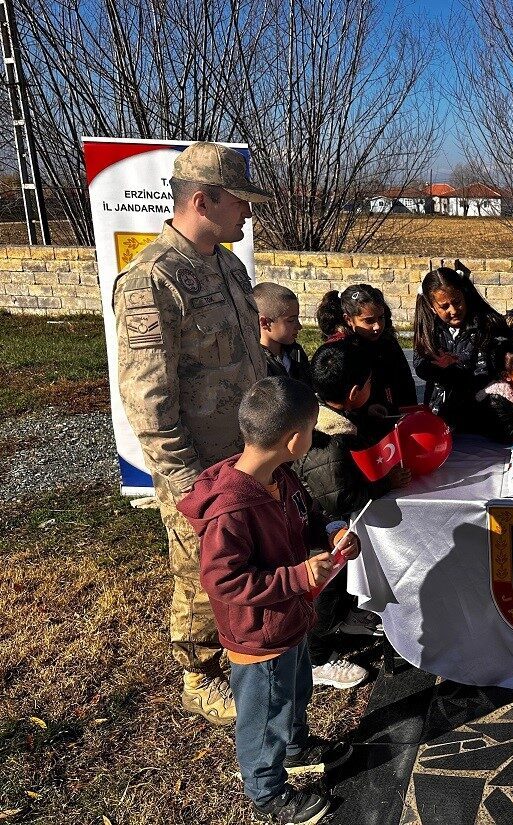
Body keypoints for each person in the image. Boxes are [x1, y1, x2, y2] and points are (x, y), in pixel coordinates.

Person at [112, 141, 270, 725]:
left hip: (246, 451)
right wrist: (185, 485)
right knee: (200, 571)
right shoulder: (153, 280)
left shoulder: (227, 266)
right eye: (241, 201)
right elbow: (149, 401)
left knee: (244, 558)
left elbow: (250, 357)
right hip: (199, 465)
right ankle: (199, 675)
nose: (248, 213)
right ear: (203, 200)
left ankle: (245, 648)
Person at [178, 377, 359, 824]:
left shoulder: (281, 477)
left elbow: (307, 517)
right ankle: (267, 792)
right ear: (294, 439)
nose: (314, 437)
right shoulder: (231, 510)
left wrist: (332, 531)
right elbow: (224, 580)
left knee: (296, 691)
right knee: (263, 717)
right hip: (258, 638)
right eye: (313, 429)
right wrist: (297, 576)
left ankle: (297, 747)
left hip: (290, 620)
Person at [293, 339, 411, 688]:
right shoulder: (327, 439)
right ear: (357, 390)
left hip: (328, 526)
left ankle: (345, 617)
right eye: (370, 385)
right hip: (318, 533)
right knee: (324, 589)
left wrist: (364, 415)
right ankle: (317, 658)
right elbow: (340, 497)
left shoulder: (331, 415)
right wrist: (383, 484)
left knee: (340, 582)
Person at [412, 265, 509, 431]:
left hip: (484, 414)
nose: (454, 310)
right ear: (431, 307)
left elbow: (492, 370)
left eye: (457, 302)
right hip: (442, 413)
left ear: (465, 294)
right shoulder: (430, 331)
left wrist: (459, 369)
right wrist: (436, 366)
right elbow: (420, 364)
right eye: (444, 306)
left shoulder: (488, 325)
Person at [316, 284, 416, 413]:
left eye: (381, 318)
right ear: (348, 319)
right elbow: (338, 398)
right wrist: (365, 411)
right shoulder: (342, 351)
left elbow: (405, 380)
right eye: (369, 321)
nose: (377, 326)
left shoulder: (387, 340)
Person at [254, 282, 311, 385]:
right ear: (265, 323)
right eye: (291, 321)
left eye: (297, 319)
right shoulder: (256, 364)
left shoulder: (296, 353)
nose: (299, 326)